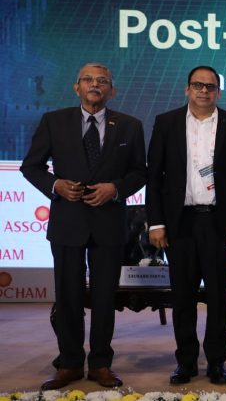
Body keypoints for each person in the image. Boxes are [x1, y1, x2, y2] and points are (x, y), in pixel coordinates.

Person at [21, 63, 146, 390]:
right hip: (68, 221)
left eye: (102, 81)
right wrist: (55, 185)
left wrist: (115, 189)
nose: (95, 85)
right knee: (68, 296)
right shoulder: (54, 121)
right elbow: (31, 166)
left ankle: (101, 364)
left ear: (112, 91)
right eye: (88, 80)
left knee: (105, 297)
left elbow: (139, 172)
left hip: (109, 222)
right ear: (76, 87)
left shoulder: (130, 126)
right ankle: (70, 363)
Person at [146, 66, 226, 385]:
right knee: (183, 296)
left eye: (210, 86)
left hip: (219, 223)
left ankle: (217, 362)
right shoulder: (166, 123)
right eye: (198, 85)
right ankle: (186, 362)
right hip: (179, 223)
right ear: (187, 89)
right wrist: (156, 222)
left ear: (218, 91)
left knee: (219, 296)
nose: (204, 91)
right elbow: (154, 177)